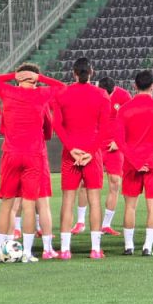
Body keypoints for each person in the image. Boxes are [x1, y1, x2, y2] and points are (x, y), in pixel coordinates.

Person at [0, 64, 66, 262]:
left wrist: (16, 75)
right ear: (34, 79)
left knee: (7, 203)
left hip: (11, 154)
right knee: (30, 205)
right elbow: (60, 86)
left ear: (19, 79)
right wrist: (40, 77)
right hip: (33, 155)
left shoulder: (8, 91)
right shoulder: (41, 94)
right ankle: (27, 253)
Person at [52, 57, 111, 259]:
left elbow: (57, 125)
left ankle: (65, 249)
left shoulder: (62, 94)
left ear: (74, 73)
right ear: (91, 72)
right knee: (94, 201)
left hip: (71, 155)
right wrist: (90, 151)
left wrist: (71, 149)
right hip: (92, 155)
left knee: (68, 201)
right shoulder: (102, 94)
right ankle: (95, 249)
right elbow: (105, 128)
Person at [117, 70, 153, 256]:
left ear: (134, 86)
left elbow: (120, 141)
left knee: (130, 206)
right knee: (152, 207)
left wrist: (136, 161)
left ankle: (128, 246)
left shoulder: (124, 109)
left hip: (132, 162)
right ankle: (148, 247)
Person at [97, 75, 132, 236]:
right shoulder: (95, 95)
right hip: (96, 145)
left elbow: (130, 120)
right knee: (86, 185)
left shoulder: (124, 96)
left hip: (114, 146)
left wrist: (119, 142)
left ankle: (106, 224)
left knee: (115, 182)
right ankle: (81, 222)